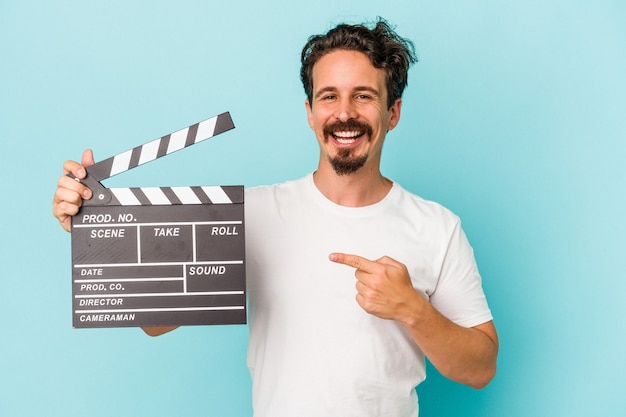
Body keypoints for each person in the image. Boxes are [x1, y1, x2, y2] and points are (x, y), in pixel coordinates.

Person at [53, 18, 498, 417]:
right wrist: (97, 226)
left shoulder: (437, 227)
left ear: (393, 112)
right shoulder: (253, 215)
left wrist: (413, 310)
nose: (344, 113)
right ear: (310, 113)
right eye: (329, 96)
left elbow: (480, 368)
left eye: (363, 96)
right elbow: (156, 323)